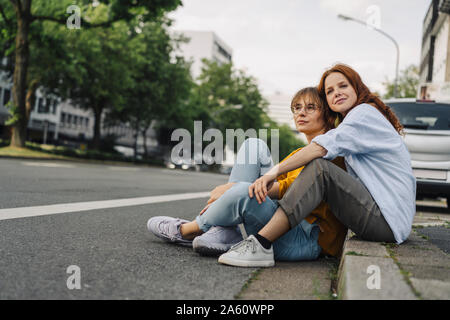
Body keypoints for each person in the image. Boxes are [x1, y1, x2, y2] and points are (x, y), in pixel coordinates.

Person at [217, 63, 416, 268]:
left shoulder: (364, 113)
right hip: (386, 219)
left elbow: (320, 148)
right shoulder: (357, 120)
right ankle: (224, 230)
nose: (337, 93)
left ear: (357, 87)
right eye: (330, 91)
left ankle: (260, 244)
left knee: (320, 169)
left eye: (343, 86)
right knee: (315, 166)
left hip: (387, 222)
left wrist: (269, 175)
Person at [147, 87, 348, 264]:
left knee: (245, 190)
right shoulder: (299, 154)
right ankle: (225, 231)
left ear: (327, 115)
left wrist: (231, 190)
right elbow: (277, 180)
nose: (301, 113)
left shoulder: (330, 151)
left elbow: (294, 190)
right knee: (254, 145)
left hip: (306, 240)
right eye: (296, 108)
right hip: (287, 222)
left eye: (310, 107)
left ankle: (187, 230)